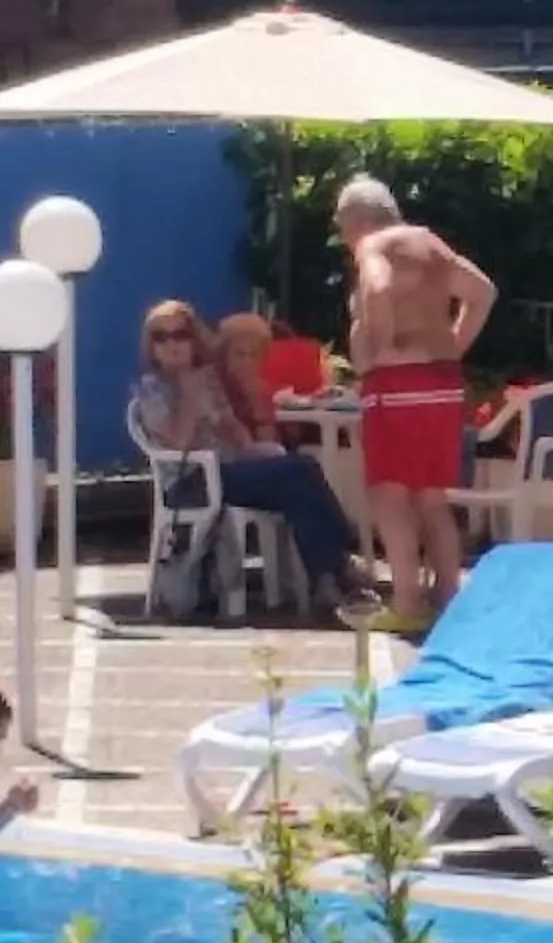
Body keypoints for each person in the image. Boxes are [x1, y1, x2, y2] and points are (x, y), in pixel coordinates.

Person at [130, 299, 364, 618]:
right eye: (161, 337)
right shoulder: (151, 388)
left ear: (193, 338)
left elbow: (232, 428)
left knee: (299, 473)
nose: (172, 344)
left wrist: (248, 440)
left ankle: (326, 575)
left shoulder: (208, 378)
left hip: (230, 470)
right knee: (296, 472)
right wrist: (188, 395)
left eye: (180, 335)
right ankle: (340, 561)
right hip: (193, 480)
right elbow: (179, 443)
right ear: (151, 345)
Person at [337, 175, 496, 627]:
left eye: (343, 227)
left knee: (389, 495)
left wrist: (380, 346)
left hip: (397, 387)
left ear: (358, 220)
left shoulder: (375, 248)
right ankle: (448, 594)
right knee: (432, 499)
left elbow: (380, 288)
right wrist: (454, 345)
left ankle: (406, 602)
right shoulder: (429, 245)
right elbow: (483, 293)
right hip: (443, 382)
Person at [213, 313, 284, 450]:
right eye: (240, 354)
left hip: (255, 461)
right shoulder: (214, 387)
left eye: (254, 355)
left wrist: (257, 403)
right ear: (223, 355)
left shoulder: (261, 389)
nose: (247, 362)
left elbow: (270, 444)